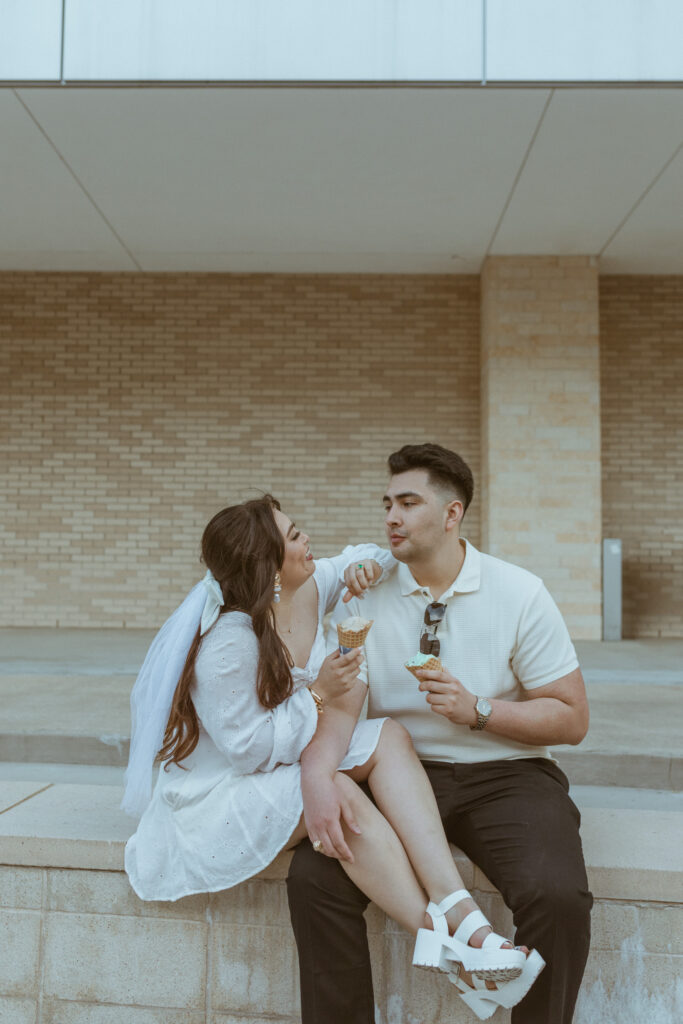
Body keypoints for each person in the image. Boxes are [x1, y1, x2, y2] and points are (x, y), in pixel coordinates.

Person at [122, 495, 531, 1013]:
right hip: (224, 792)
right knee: (337, 791)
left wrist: (364, 566)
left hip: (288, 761)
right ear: (267, 566)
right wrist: (317, 693)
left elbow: (371, 556)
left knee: (390, 736)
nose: (306, 539)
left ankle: (462, 912)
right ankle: (447, 944)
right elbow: (250, 752)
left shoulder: (311, 583)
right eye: (293, 537)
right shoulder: (230, 640)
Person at [288, 444, 593, 1024]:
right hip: (396, 776)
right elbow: (343, 705)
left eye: (408, 502)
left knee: (558, 896)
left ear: (452, 515)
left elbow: (572, 718)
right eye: (387, 504)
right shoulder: (364, 593)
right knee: (313, 879)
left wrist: (479, 710)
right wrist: (320, 769)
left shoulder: (519, 592)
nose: (391, 517)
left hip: (507, 776)